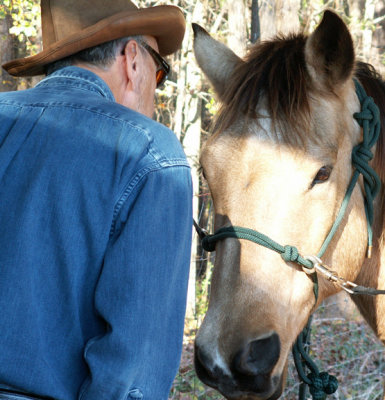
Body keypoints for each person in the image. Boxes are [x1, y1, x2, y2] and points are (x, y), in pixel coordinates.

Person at [0, 1, 193, 399]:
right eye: (159, 73)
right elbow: (133, 370)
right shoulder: (150, 153)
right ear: (133, 59)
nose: (155, 91)